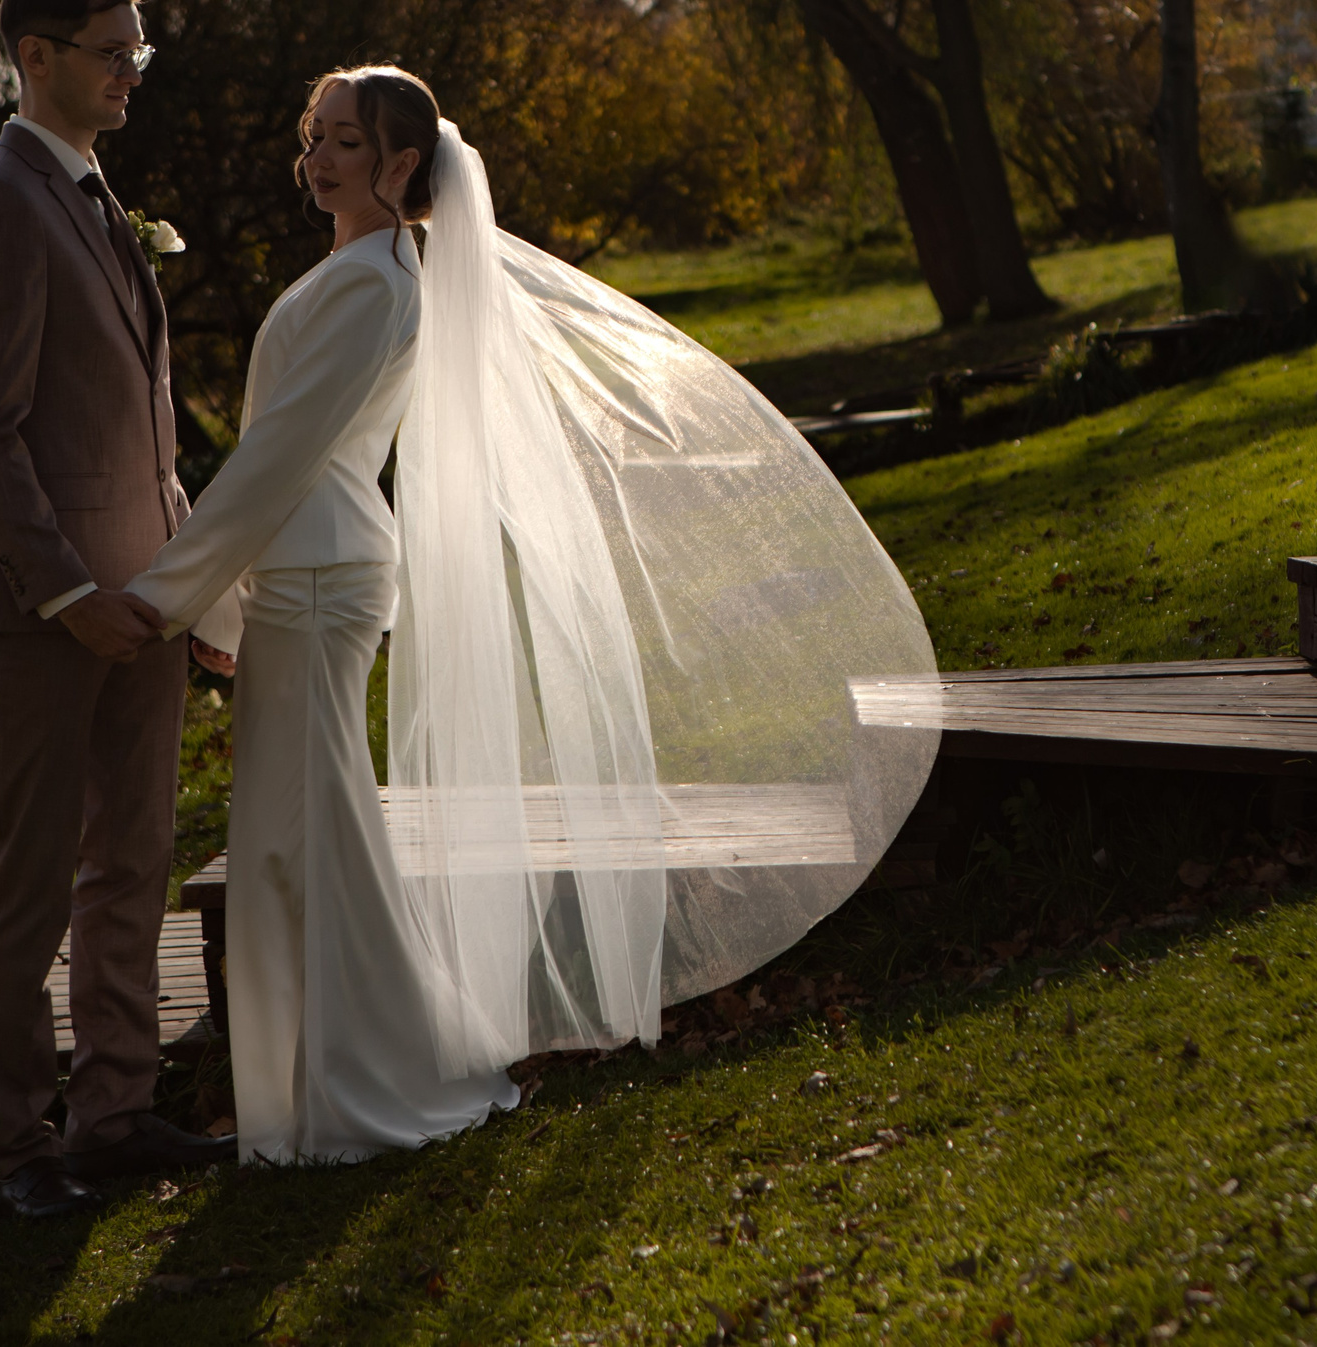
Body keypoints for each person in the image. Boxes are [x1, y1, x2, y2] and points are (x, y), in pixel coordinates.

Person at [125, 66, 939, 1165]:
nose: (319, 159)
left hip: (319, 585)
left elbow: (280, 458)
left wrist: (166, 594)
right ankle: (328, 1087)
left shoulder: (374, 285)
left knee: (304, 841)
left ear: (403, 166)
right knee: (297, 840)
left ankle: (354, 1090)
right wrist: (219, 599)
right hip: (300, 577)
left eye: (347, 143)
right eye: (314, 137)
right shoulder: (351, 270)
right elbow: (278, 460)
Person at [0, 0, 235, 1220]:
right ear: (33, 56)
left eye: (137, 53)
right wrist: (68, 596)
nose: (129, 74)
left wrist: (195, 597)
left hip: (149, 598)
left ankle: (118, 1110)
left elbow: (146, 440)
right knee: (33, 878)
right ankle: (14, 1148)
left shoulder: (101, 197)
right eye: (109, 52)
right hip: (41, 607)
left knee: (135, 865)